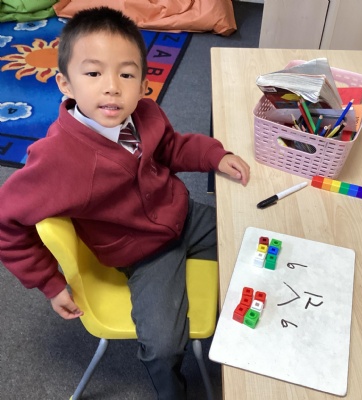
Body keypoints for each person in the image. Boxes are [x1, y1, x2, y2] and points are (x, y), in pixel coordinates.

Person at [0, 7, 250, 399]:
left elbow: (171, 147)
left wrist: (214, 156)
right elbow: (6, 220)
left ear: (144, 84)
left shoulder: (144, 113)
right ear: (65, 83)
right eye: (93, 73)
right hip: (143, 254)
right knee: (164, 346)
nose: (112, 87)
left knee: (257, 238)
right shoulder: (57, 160)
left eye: (127, 75)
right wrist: (49, 282)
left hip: (183, 215)